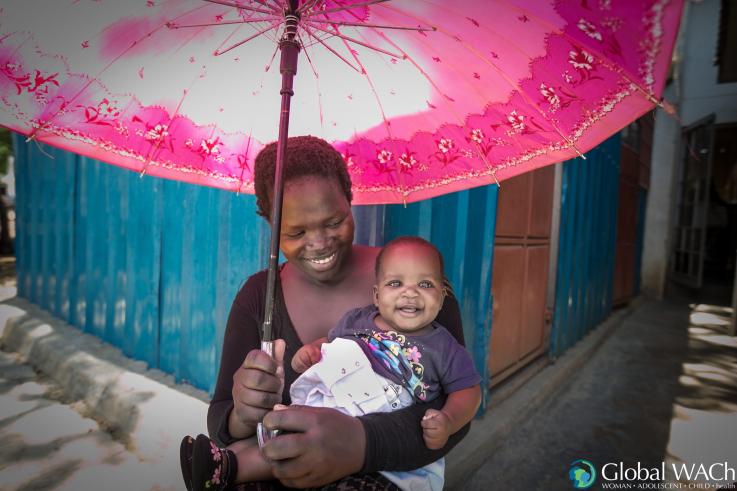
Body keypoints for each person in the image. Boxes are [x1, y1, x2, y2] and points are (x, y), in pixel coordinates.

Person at [180, 136, 474, 490]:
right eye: (296, 231)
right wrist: (242, 414)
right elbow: (221, 418)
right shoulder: (258, 298)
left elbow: (454, 416)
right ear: (270, 222)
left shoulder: (418, 285)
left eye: (334, 222)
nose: (319, 243)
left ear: (349, 200)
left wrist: (361, 443)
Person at [183, 236, 482, 490]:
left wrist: (449, 420)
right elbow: (332, 342)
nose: (410, 292)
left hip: (386, 463)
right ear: (377, 296)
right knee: (278, 441)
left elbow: (469, 392)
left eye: (425, 285)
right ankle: (227, 468)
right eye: (395, 283)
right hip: (328, 412)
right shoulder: (359, 319)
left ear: (442, 298)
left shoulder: (443, 346)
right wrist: (313, 352)